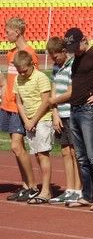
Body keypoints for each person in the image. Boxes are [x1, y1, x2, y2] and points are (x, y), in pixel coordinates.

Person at [65, 27, 93, 211]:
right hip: (74, 110)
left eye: (76, 46)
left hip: (88, 111)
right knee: (82, 158)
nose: (74, 51)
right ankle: (87, 195)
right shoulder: (77, 58)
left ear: (84, 39)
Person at [1, 18, 39, 202]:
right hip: (7, 105)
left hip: (20, 106)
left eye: (7, 31)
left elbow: (34, 81)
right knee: (17, 148)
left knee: (17, 146)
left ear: (17, 32)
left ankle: (33, 186)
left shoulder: (30, 53)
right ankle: (25, 186)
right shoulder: (10, 54)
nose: (5, 34)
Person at [13, 51, 53, 203]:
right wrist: (26, 121)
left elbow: (46, 101)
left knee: (43, 154)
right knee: (36, 155)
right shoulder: (18, 78)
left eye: (25, 70)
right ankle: (43, 189)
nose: (22, 74)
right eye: (20, 71)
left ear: (31, 64)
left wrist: (34, 120)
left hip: (42, 119)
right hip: (29, 121)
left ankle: (46, 191)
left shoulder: (40, 77)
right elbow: (19, 102)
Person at [46, 37, 82, 204]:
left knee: (75, 152)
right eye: (52, 57)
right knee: (65, 152)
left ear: (63, 52)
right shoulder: (55, 67)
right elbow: (53, 89)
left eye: (56, 56)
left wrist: (53, 101)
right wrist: (54, 112)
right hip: (59, 115)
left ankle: (78, 189)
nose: (54, 59)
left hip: (71, 113)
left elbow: (71, 91)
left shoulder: (73, 65)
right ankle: (69, 189)